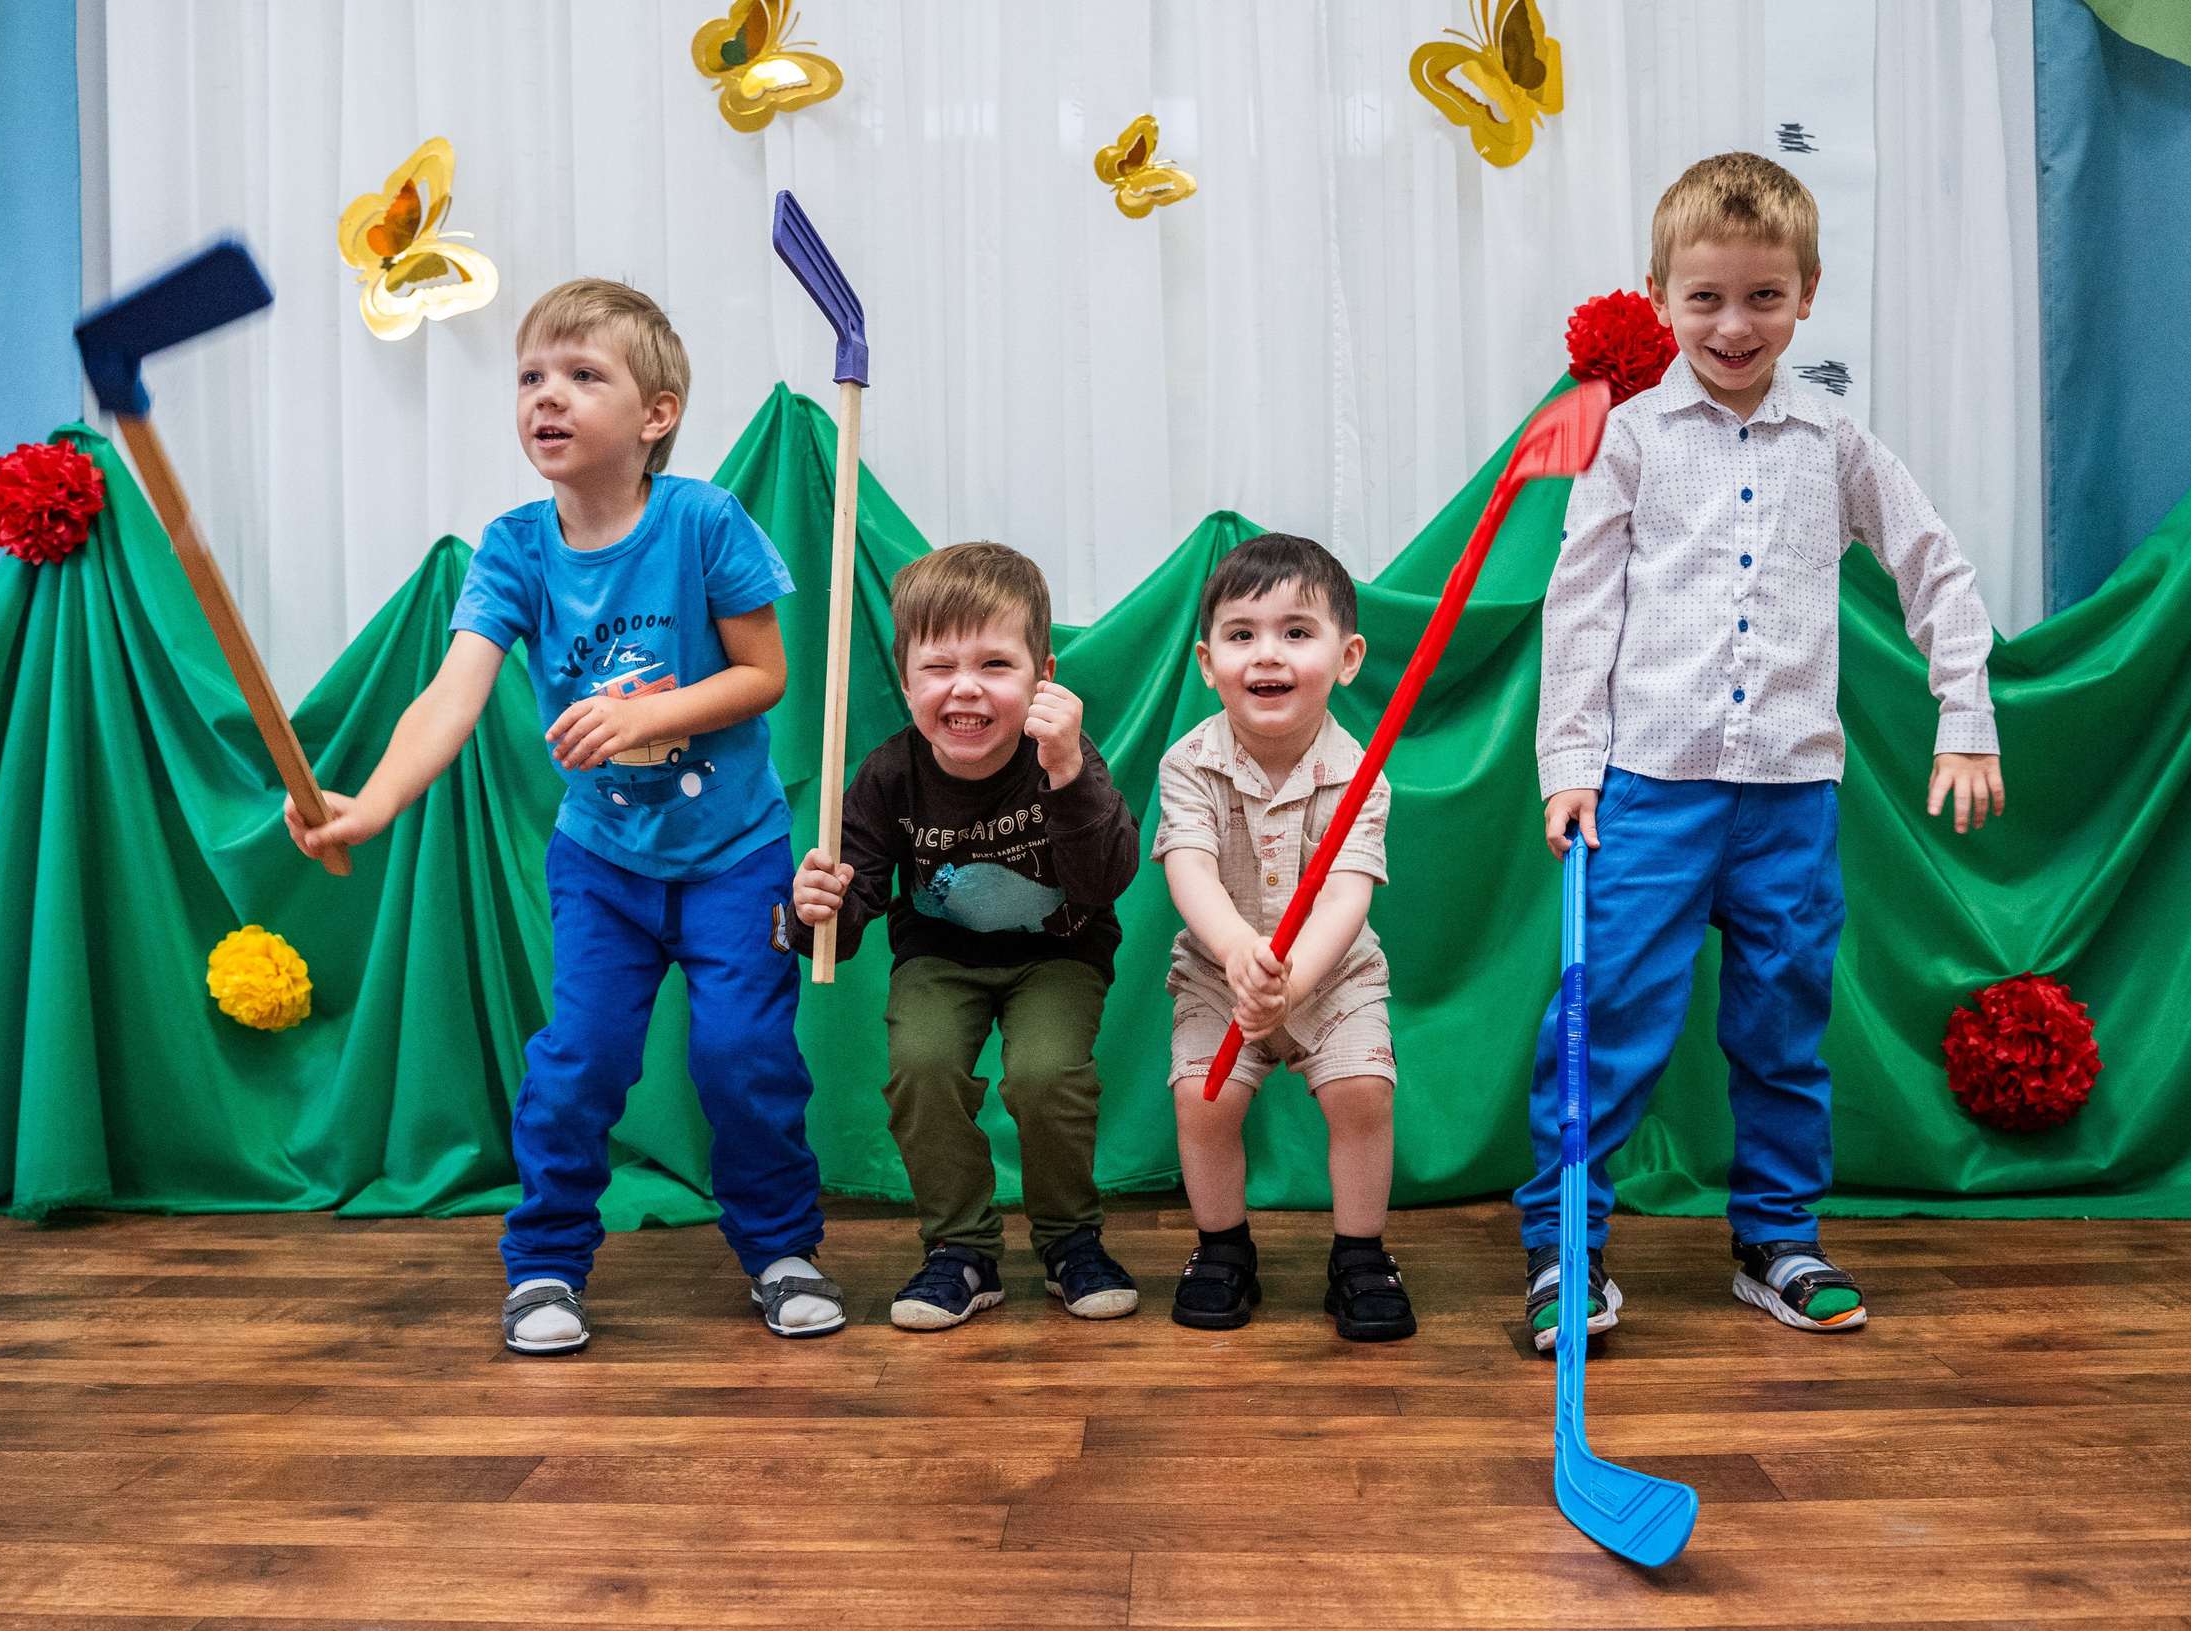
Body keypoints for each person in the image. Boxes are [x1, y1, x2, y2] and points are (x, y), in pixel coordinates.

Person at [287, 278, 841, 1351]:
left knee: (743, 1057)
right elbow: (452, 695)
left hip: (736, 855)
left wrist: (647, 715)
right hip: (602, 864)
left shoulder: (703, 521)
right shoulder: (514, 549)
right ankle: (544, 1264)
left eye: (584, 375)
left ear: (655, 415)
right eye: (531, 376)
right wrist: (377, 801)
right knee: (578, 1060)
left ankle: (782, 1249)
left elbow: (764, 675)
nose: (547, 395)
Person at [1525, 151, 2007, 1350]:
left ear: (1805, 294)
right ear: (1659, 297)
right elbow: (1578, 608)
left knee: (1782, 1023)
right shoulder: (1630, 440)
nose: (1733, 326)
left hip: (1790, 799)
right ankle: (1563, 1247)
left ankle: (1777, 1239)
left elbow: (1935, 568)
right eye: (1704, 299)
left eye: (1762, 297)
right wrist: (1570, 765)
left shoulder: (1833, 444)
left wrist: (1964, 716)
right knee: (1603, 1017)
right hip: (1646, 793)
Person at [787, 542, 1142, 1331]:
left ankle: (1070, 1238)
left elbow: (1107, 879)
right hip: (941, 955)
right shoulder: (887, 776)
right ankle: (961, 1248)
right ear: (906, 679)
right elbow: (848, 916)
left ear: (1044, 675)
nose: (966, 686)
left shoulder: (1064, 758)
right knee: (923, 1065)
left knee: (1047, 1074)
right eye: (939, 667)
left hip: (1059, 948)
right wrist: (812, 909)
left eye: (995, 664)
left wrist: (1067, 771)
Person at [1152, 533, 1415, 1343]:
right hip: (1218, 971)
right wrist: (1240, 954)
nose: (1267, 653)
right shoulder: (1187, 763)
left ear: (1347, 657)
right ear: (1208, 662)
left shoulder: (1362, 774)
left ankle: (1361, 1253)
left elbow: (1347, 894)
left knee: (1362, 1092)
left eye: (1297, 632)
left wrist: (1291, 983)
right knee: (1204, 1099)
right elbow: (1190, 868)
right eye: (1242, 634)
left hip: (1334, 977)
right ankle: (1222, 1247)